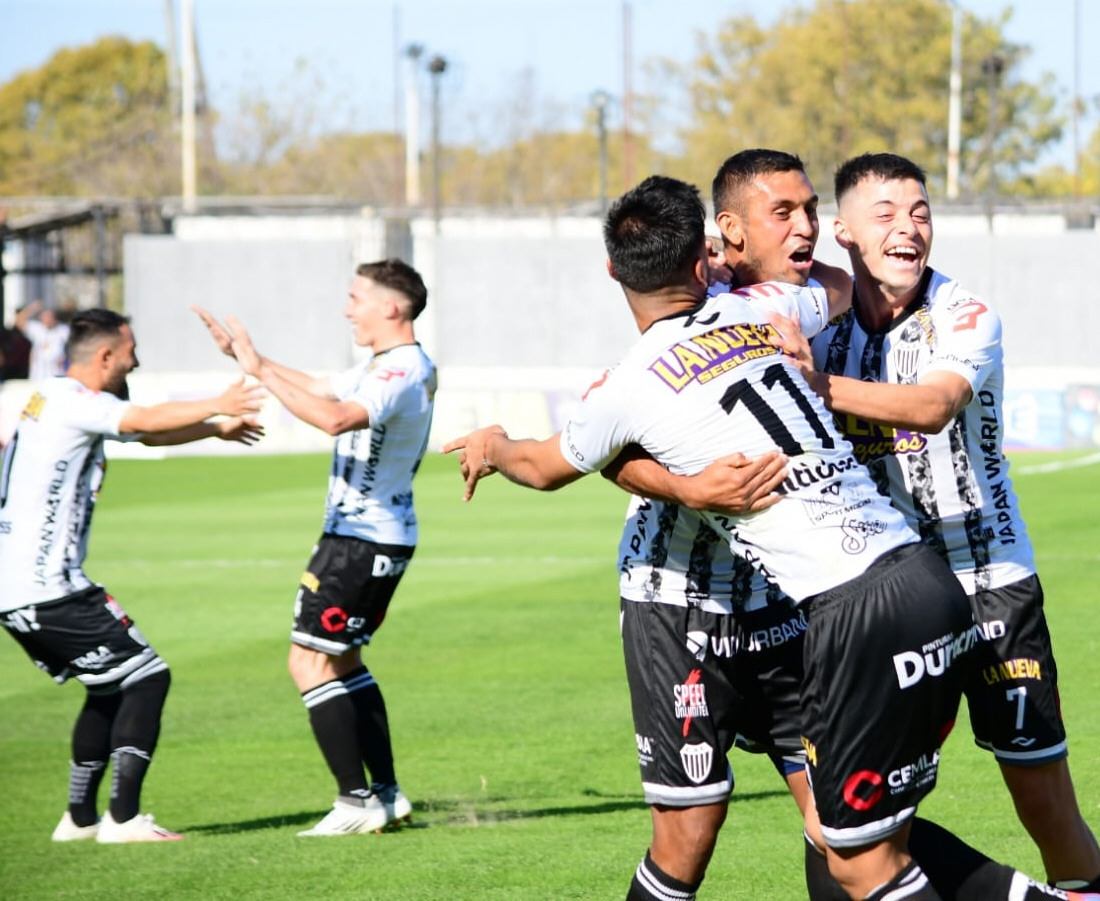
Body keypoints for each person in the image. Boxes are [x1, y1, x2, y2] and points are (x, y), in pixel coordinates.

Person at [446, 174, 984, 901]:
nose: (802, 229)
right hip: (732, 597)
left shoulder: (638, 378)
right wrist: (688, 488)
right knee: (785, 836)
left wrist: (492, 444)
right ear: (705, 251)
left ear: (613, 271)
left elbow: (544, 467)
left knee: (854, 848)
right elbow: (832, 287)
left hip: (813, 605)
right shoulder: (758, 311)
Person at [794, 151, 1100, 893]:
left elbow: (933, 407)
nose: (908, 227)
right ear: (844, 232)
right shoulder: (823, 328)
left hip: (990, 582)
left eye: (920, 212)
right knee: (848, 819)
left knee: (1044, 800)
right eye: (885, 214)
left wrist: (817, 384)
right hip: (890, 596)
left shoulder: (965, 315)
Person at [0, 308, 264, 843]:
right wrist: (218, 402)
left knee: (108, 687)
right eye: (130, 351)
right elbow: (144, 419)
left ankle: (79, 818)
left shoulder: (54, 397)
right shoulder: (76, 402)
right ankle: (123, 819)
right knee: (147, 677)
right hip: (49, 587)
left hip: (18, 587)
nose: (136, 361)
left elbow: (145, 436)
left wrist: (216, 429)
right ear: (106, 356)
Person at [193, 258, 437, 837]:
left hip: (360, 539)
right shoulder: (387, 365)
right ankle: (386, 794)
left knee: (307, 661)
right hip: (372, 536)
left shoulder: (400, 370)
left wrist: (260, 371)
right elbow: (320, 388)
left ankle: (355, 803)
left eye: (356, 298)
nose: (347, 309)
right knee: (344, 661)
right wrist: (250, 359)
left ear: (390, 307)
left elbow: (334, 418)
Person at [15, 299, 71, 382]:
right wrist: (32, 308)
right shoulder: (37, 329)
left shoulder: (62, 330)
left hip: (57, 374)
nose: (48, 319)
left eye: (50, 317)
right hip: (39, 375)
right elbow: (19, 321)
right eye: (45, 317)